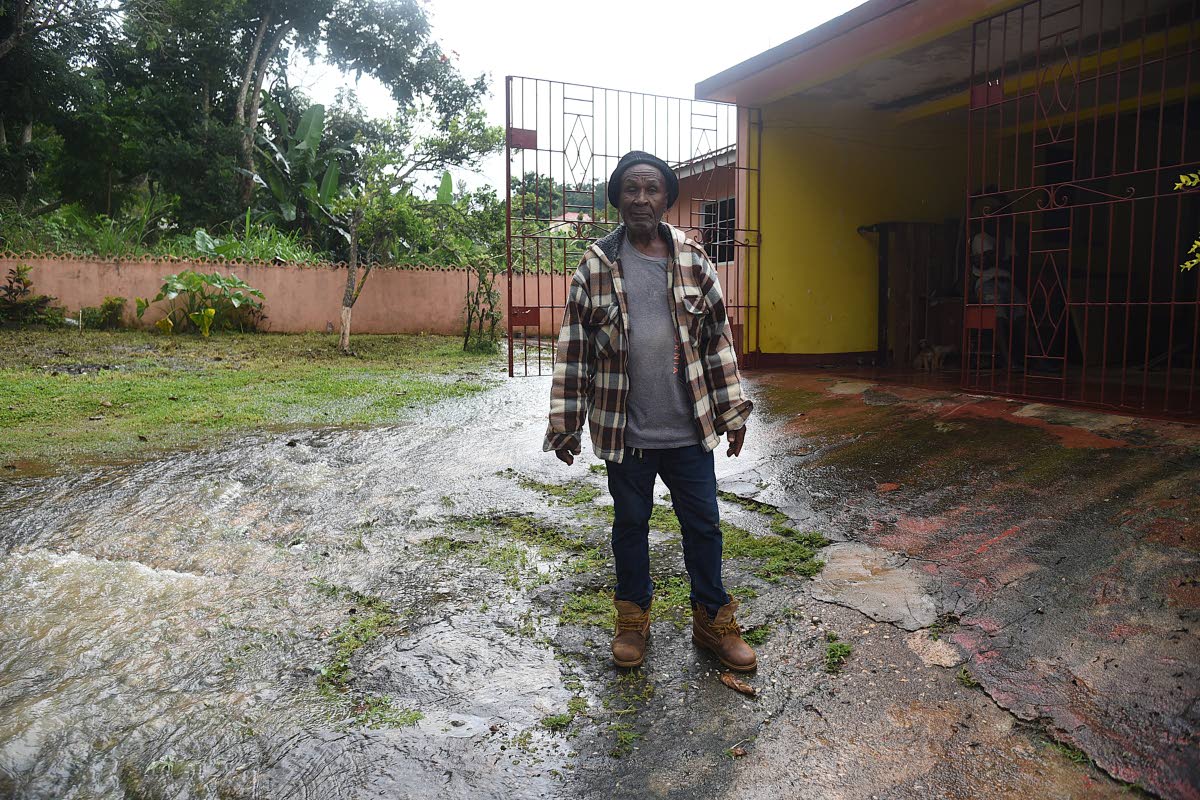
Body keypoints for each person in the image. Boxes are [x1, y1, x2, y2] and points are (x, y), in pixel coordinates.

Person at [543, 150, 757, 672]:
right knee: (630, 526)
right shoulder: (595, 266)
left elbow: (717, 341)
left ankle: (713, 620)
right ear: (618, 198)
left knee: (704, 526)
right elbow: (575, 351)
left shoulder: (693, 260)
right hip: (627, 433)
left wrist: (732, 411)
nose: (641, 198)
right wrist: (565, 425)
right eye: (631, 189)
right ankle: (632, 619)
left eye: (652, 189)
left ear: (666, 199)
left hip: (689, 429)